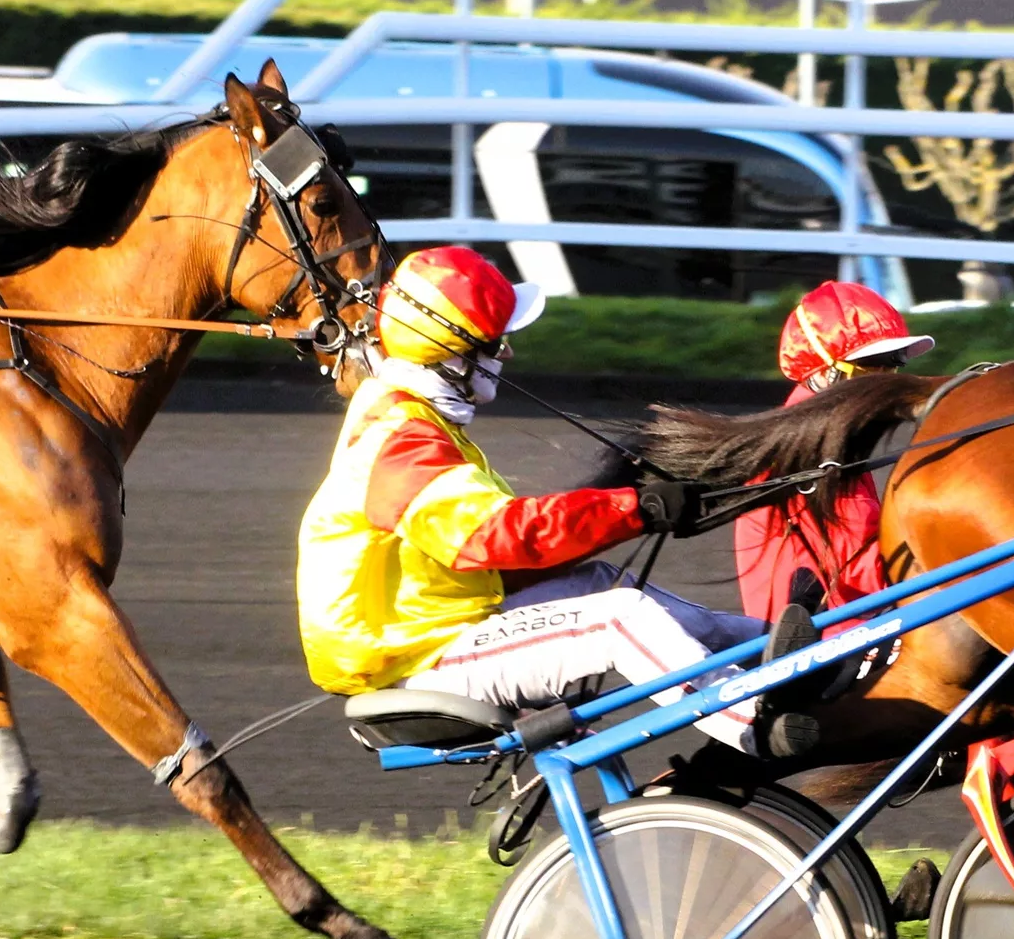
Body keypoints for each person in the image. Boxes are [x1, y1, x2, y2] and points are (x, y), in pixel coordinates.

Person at [296, 245, 811, 757]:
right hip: (415, 665)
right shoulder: (402, 439)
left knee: (600, 585)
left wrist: (624, 509)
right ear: (452, 356)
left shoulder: (412, 418)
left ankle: (773, 647)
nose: (508, 355)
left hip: (435, 632)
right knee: (618, 618)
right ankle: (751, 724)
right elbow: (497, 536)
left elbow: (505, 548)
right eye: (496, 344)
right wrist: (637, 508)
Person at [734, 280, 933, 622]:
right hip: (827, 644)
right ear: (822, 372)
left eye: (891, 367)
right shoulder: (811, 448)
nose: (884, 384)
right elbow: (868, 570)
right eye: (869, 368)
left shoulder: (832, 432)